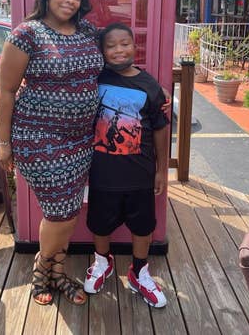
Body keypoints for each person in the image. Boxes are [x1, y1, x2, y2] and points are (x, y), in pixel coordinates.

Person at [0, 0, 104, 306]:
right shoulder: (27, 34)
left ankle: (56, 272)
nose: (71, 0)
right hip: (39, 138)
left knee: (69, 209)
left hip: (81, 140)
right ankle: (42, 268)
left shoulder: (87, 30)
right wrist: (3, 142)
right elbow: (5, 90)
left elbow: (111, 65)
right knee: (60, 212)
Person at [82, 22, 170, 308]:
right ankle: (101, 262)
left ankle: (139, 271)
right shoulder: (94, 79)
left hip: (140, 173)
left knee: (143, 225)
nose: (119, 50)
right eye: (111, 45)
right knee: (99, 222)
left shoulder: (150, 86)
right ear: (102, 52)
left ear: (134, 46)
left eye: (125, 43)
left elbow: (159, 128)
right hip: (102, 172)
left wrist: (160, 168)